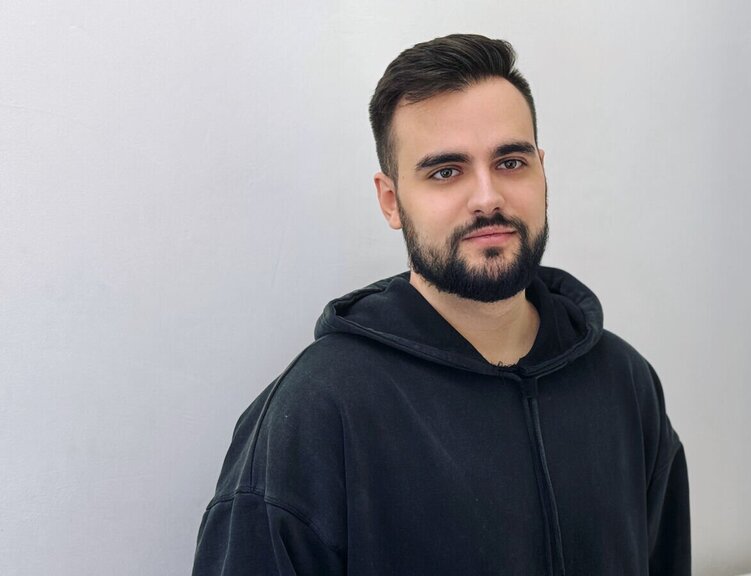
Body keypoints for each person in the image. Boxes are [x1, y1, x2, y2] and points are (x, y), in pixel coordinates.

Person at [191, 33, 690, 576]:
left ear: (542, 171)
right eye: (446, 172)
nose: (488, 198)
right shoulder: (315, 415)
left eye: (511, 162)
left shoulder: (624, 382)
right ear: (391, 201)